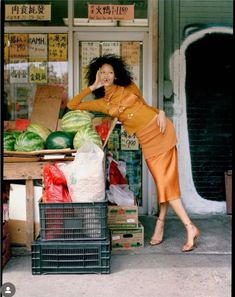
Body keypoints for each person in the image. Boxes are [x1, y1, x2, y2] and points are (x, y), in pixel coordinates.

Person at [67, 54, 200, 252]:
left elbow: (146, 107)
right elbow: (72, 105)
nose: (106, 75)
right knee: (163, 184)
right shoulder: (103, 103)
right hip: (147, 140)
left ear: (116, 74)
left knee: (165, 184)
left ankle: (189, 228)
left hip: (161, 131)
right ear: (98, 75)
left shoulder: (129, 88)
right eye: (102, 72)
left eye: (110, 72)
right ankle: (161, 224)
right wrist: (92, 87)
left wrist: (161, 112)